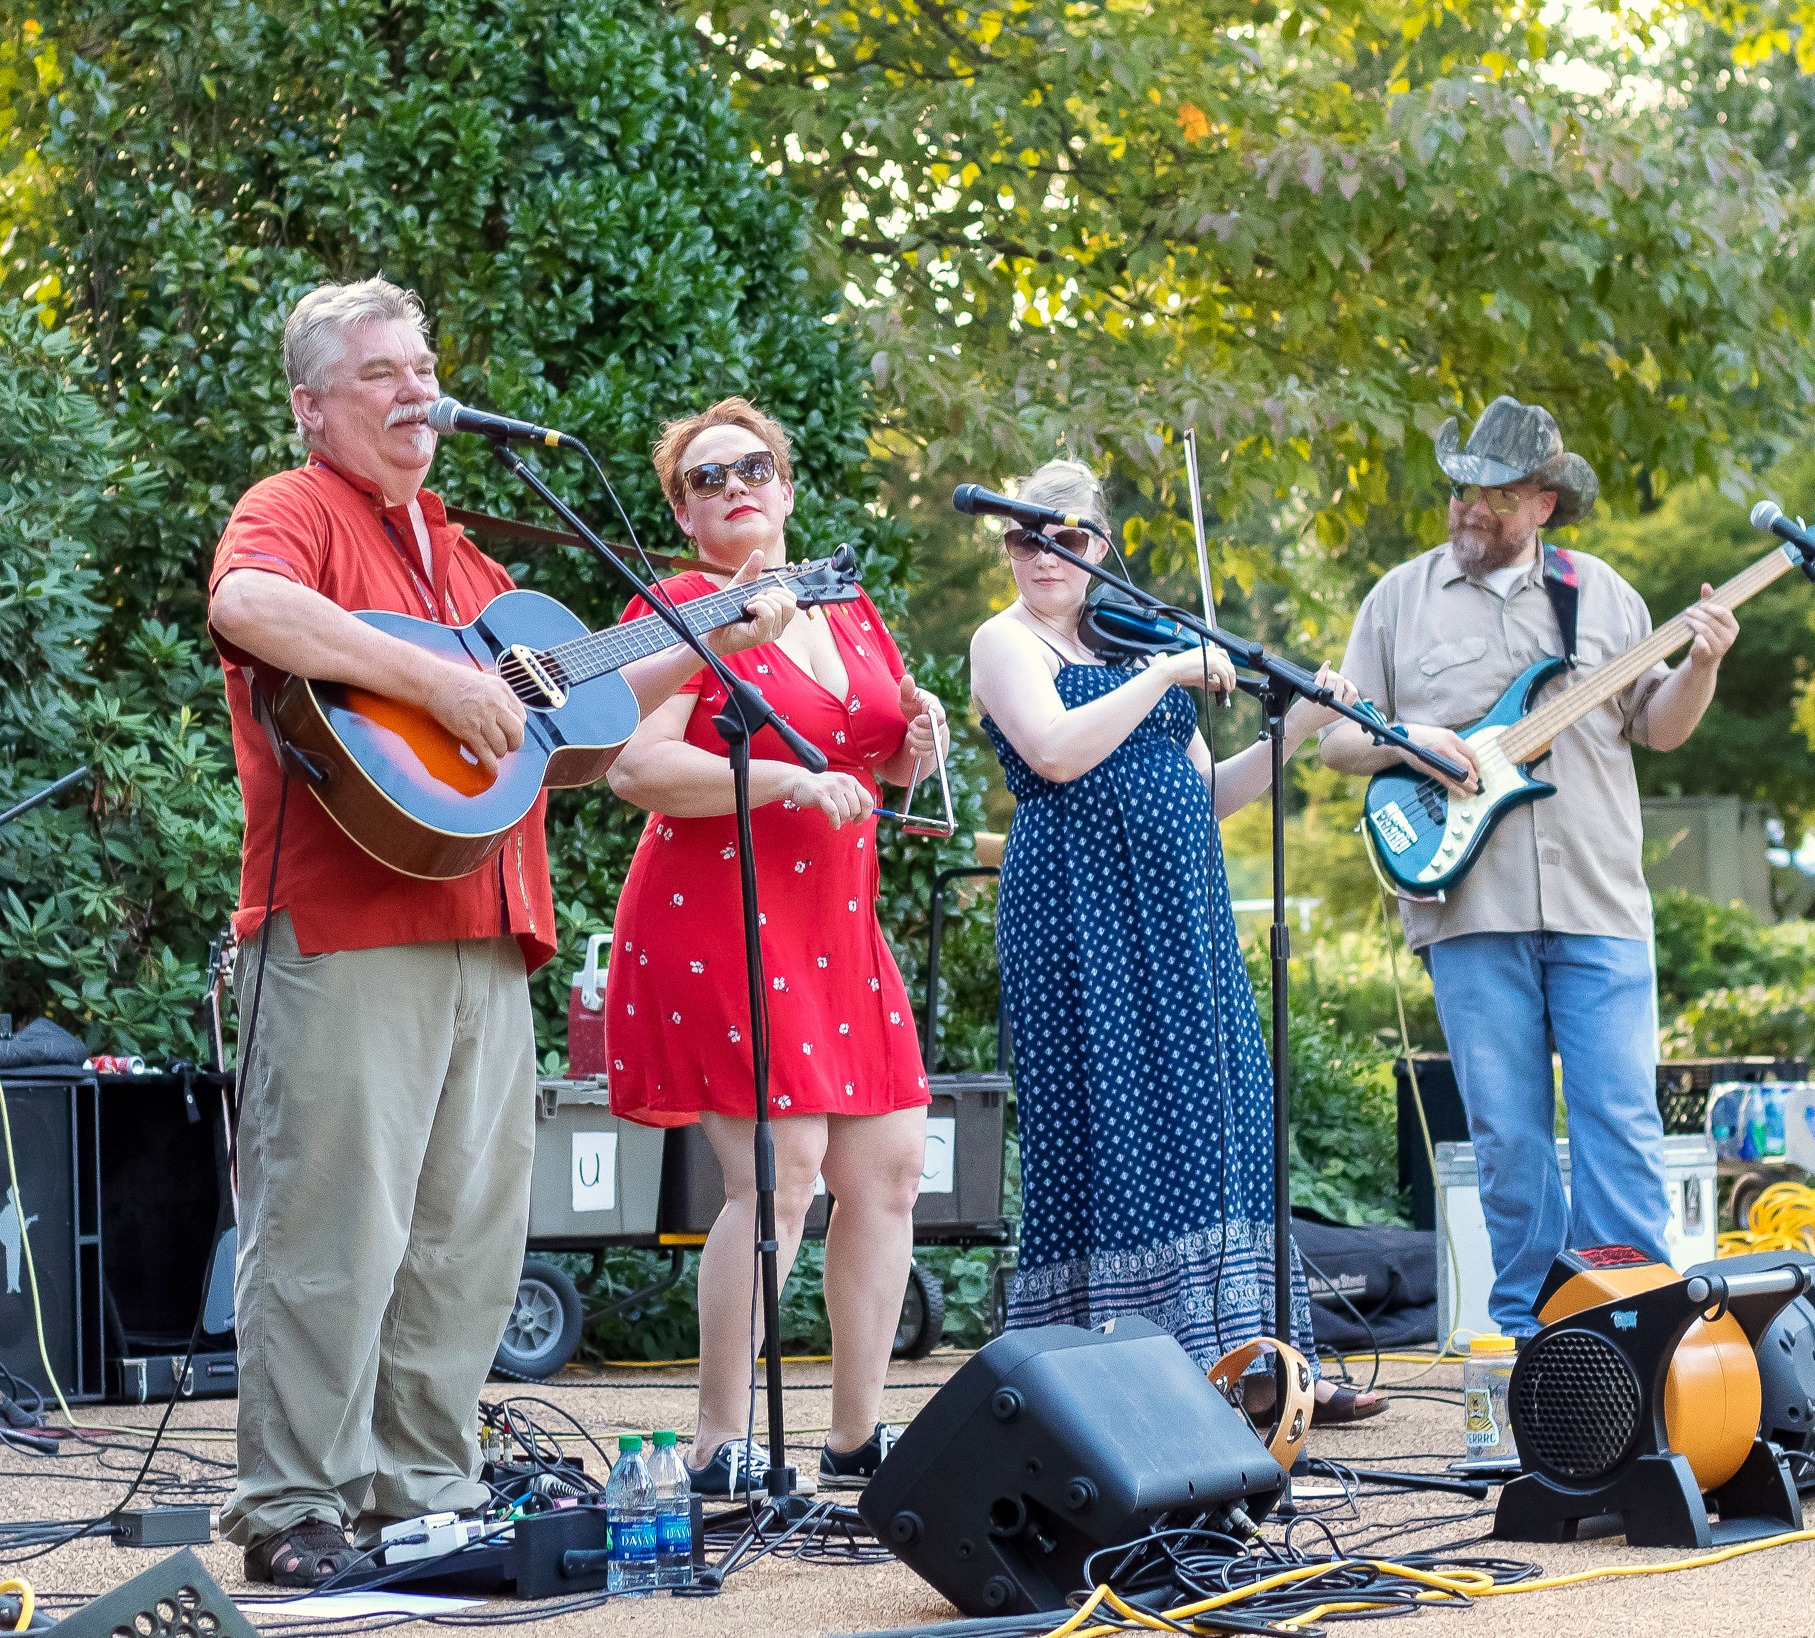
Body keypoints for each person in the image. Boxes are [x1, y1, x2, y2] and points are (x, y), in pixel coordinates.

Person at [206, 280, 796, 1585]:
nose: (415, 390)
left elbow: (576, 720)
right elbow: (250, 609)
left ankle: (420, 1494)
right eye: (379, 373)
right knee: (331, 1232)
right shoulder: (293, 506)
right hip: (349, 926)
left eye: (422, 367)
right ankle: (294, 1506)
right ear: (313, 406)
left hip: (488, 924)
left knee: (466, 1243)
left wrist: (714, 628)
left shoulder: (467, 559)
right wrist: (433, 680)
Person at [967, 459, 1383, 1421]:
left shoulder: (1129, 638)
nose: (1044, 555)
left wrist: (1293, 728)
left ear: (1101, 545)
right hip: (1080, 915)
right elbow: (1054, 751)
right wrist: (1162, 672)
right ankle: (1132, 1371)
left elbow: (1208, 792)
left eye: (1067, 536)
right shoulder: (1006, 640)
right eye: (1023, 537)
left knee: (1223, 1114)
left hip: (1180, 914)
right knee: (1117, 1125)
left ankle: (1260, 1362)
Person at [1319, 396, 1739, 1338]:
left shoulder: (1604, 594)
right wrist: (1414, 743)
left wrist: (1703, 666)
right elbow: (1338, 742)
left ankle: (1634, 1327)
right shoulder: (1398, 599)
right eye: (1462, 490)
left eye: (1499, 495)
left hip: (1600, 902)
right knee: (1509, 1139)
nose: (1472, 508)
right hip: (1470, 907)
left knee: (1620, 1128)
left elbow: (1659, 727)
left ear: (1545, 504)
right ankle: (1530, 1336)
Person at [603, 397, 950, 1497]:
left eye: (753, 467)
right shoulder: (679, 609)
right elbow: (634, 767)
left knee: (888, 1171)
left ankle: (855, 1438)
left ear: (786, 487)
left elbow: (878, 759)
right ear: (684, 516)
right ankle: (718, 1444)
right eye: (705, 480)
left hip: (837, 923)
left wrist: (919, 743)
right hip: (720, 919)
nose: (734, 487)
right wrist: (784, 781)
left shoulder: (846, 605)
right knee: (778, 1178)